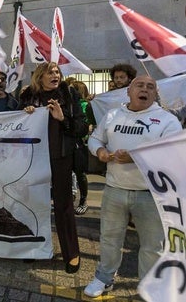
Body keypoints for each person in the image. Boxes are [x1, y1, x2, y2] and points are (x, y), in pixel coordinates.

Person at [84, 75, 182, 297]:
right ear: (128, 91)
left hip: (152, 194)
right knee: (109, 238)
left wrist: (136, 158)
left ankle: (148, 287)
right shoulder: (112, 115)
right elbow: (95, 139)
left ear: (155, 93)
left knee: (152, 245)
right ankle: (104, 278)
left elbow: (173, 155)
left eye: (150, 86)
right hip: (114, 189)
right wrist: (99, 151)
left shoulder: (167, 121)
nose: (145, 89)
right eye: (140, 85)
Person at [19, 62, 86, 274]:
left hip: (60, 158)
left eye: (57, 71)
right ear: (40, 77)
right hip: (32, 158)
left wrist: (62, 118)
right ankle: (33, 248)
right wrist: (24, 114)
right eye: (50, 72)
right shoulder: (27, 95)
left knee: (63, 205)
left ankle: (71, 253)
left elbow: (81, 127)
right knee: (32, 203)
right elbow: (14, 124)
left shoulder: (68, 93)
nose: (55, 74)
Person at [70, 80, 91, 215]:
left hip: (78, 144)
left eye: (72, 89)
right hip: (66, 143)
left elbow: (87, 125)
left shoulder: (85, 106)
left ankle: (83, 201)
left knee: (80, 173)